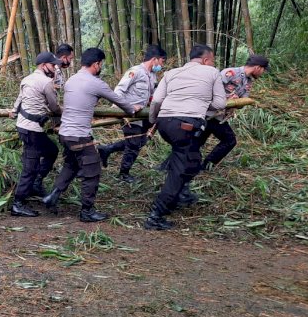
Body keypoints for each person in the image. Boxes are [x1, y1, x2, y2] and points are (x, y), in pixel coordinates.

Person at [42, 48, 140, 222]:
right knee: (93, 170)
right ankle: (87, 211)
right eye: (101, 64)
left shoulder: (71, 80)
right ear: (96, 64)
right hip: (80, 135)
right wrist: (133, 109)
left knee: (71, 164)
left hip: (65, 133)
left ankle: (53, 196)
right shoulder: (96, 83)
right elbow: (119, 101)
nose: (100, 67)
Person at [144, 44, 227, 230]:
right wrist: (202, 102)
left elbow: (156, 100)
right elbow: (220, 103)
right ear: (206, 60)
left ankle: (180, 195)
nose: (212, 63)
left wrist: (153, 121)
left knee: (192, 161)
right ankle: (155, 215)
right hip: (186, 126)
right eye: (212, 60)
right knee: (180, 169)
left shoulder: (171, 73)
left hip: (165, 125)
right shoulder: (212, 72)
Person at [97, 45, 167, 183]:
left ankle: (107, 149)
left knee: (141, 141)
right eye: (162, 62)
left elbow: (151, 95)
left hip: (144, 115)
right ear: (155, 59)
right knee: (134, 144)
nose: (162, 65)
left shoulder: (152, 75)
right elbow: (119, 91)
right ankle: (124, 173)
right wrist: (119, 111)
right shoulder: (135, 71)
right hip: (130, 115)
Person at [9, 52, 63, 217]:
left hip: (23, 126)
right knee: (29, 167)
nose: (55, 68)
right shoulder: (46, 82)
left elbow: (19, 99)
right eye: (53, 65)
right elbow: (54, 107)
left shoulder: (27, 79)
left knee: (51, 151)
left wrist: (13, 111)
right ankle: (18, 203)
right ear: (43, 65)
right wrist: (65, 114)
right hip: (32, 129)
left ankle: (36, 183)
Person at [198, 54, 269, 171]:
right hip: (209, 114)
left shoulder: (248, 82)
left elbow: (241, 101)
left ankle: (201, 165)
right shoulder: (230, 73)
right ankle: (203, 165)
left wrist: (239, 102)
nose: (263, 73)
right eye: (263, 70)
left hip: (220, 117)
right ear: (258, 68)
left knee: (200, 141)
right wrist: (228, 96)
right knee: (229, 140)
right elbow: (210, 89)